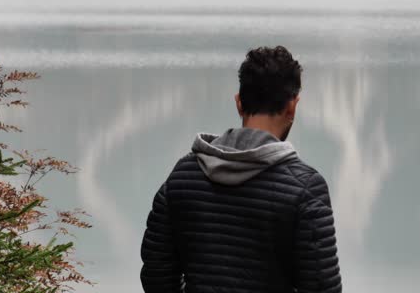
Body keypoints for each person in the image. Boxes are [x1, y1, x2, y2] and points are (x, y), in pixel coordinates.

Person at [141, 46, 342, 293]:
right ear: (292, 107)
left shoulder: (183, 176)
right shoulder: (306, 189)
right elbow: (322, 288)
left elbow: (156, 274)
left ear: (238, 103)